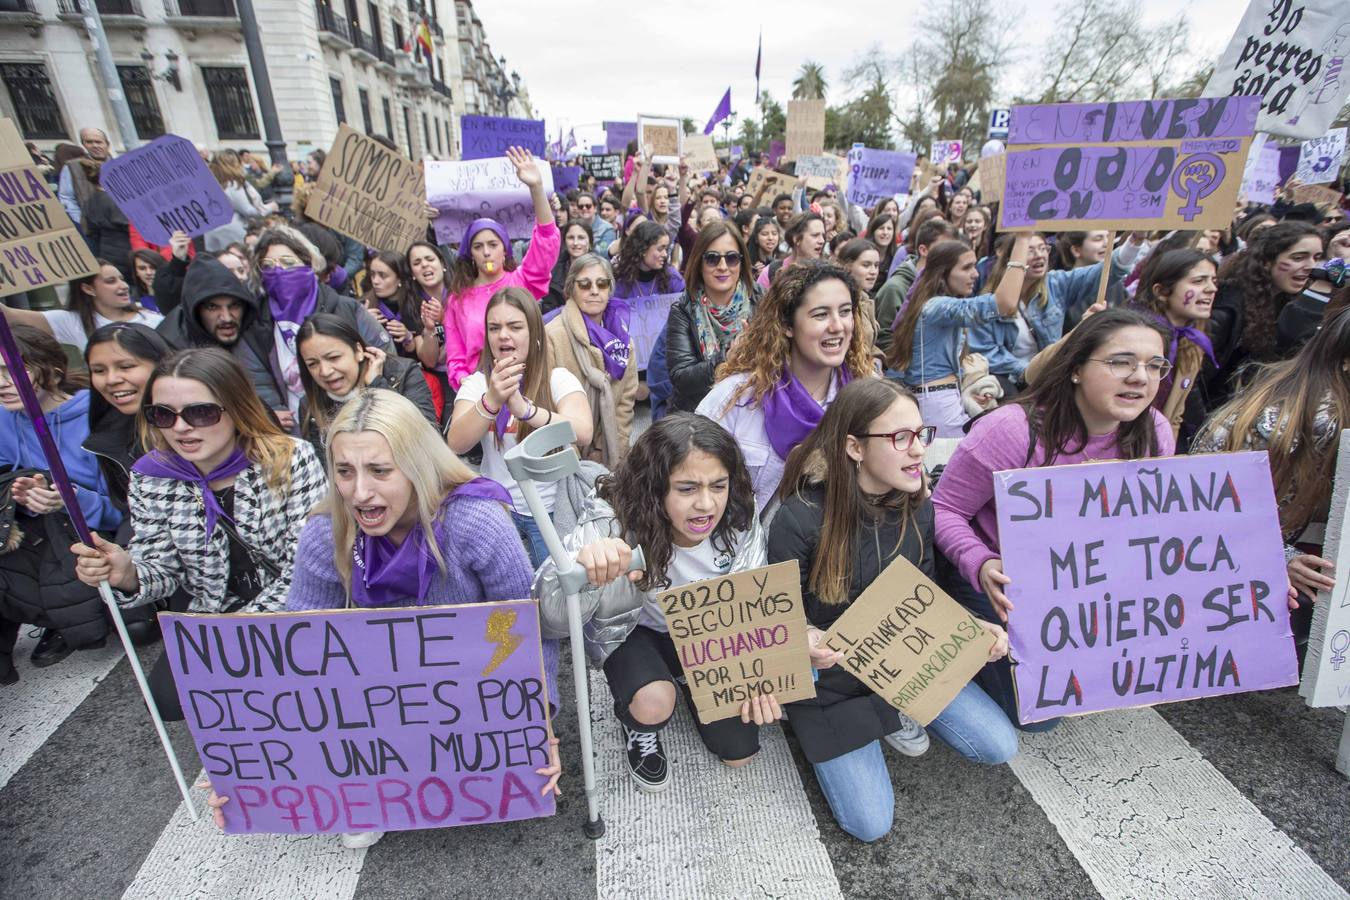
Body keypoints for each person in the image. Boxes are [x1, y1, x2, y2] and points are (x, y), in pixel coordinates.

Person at [280, 388, 562, 848]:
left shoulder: (477, 521)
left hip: (474, 692)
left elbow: (523, 628)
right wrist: (255, 751)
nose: (360, 491)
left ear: (416, 463)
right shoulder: (326, 531)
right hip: (380, 701)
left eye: (380, 470)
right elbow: (303, 644)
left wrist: (536, 723)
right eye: (345, 472)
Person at [769, 379, 1017, 841]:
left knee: (998, 745)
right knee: (870, 824)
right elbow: (776, 618)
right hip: (832, 683)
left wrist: (972, 627)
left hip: (904, 662)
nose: (919, 450)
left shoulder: (917, 503)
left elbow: (922, 593)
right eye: (899, 437)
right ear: (854, 447)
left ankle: (893, 712)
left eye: (921, 434)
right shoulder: (799, 518)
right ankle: (831, 729)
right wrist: (802, 638)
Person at [932, 309, 1176, 728]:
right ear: (1077, 368)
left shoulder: (1155, 430)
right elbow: (943, 509)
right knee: (1040, 715)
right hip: (1000, 584)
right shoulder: (1010, 430)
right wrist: (981, 562)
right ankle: (943, 662)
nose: (1140, 377)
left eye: (1154, 365)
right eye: (1121, 361)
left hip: (1079, 584)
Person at [70, 348, 326, 719]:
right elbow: (162, 568)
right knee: (168, 701)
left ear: (236, 407)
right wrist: (127, 573)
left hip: (297, 608)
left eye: (200, 412)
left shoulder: (290, 458)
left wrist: (239, 637)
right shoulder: (150, 476)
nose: (181, 428)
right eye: (162, 414)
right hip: (215, 613)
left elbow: (306, 570)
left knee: (298, 692)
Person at [534, 413, 774, 792]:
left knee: (739, 752)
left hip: (708, 632)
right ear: (654, 487)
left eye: (718, 485)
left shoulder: (740, 514)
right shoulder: (611, 518)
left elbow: (753, 598)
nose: (706, 504)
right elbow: (547, 621)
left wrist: (757, 671)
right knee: (653, 702)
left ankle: (688, 677)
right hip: (635, 631)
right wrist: (585, 570)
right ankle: (638, 723)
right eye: (687, 488)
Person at [1191, 307, 1350, 664]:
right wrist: (1280, 558)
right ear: (1345, 360)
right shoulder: (1319, 415)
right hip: (1212, 561)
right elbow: (1215, 511)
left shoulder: (1311, 387)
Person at [698, 261, 873, 511]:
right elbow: (691, 478)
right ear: (788, 325)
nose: (837, 326)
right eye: (821, 314)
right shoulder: (734, 398)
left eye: (845, 312)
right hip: (748, 547)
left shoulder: (868, 401)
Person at [0, 326, 122, 680]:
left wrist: (70, 499)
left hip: (98, 537)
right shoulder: (3, 419)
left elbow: (124, 509)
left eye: (12, 371)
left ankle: (68, 619)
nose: (2, 383)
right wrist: (17, 494)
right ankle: (53, 617)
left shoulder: (93, 417)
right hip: (38, 539)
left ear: (50, 369)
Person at [446, 287, 591, 566]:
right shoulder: (477, 384)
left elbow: (583, 432)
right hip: (496, 513)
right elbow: (456, 443)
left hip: (548, 514)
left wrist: (527, 411)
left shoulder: (557, 379)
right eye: (494, 327)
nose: (503, 335)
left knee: (551, 600)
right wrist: (492, 400)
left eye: (514, 326)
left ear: (534, 333)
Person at [251, 224, 392, 431]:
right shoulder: (257, 323)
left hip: (359, 420)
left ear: (308, 264)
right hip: (294, 431)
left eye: (288, 262)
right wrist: (272, 412)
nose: (278, 271)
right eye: (268, 265)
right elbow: (257, 378)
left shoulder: (346, 309)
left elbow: (384, 357)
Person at [887, 235, 1031, 435]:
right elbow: (1004, 303)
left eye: (974, 266)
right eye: (966, 268)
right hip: (937, 406)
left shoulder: (934, 304)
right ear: (942, 273)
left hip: (942, 401)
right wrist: (1023, 239)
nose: (975, 274)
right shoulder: (936, 307)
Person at [442, 147, 559, 392]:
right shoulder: (457, 300)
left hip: (526, 384)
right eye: (478, 246)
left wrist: (536, 188)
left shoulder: (520, 281)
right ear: (470, 254)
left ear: (505, 250)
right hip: (481, 391)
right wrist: (468, 383)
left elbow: (546, 239)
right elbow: (455, 357)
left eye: (493, 244)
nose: (486, 252)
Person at [965, 232, 1143, 389]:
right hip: (1012, 382)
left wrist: (1135, 240)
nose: (1039, 256)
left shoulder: (1056, 283)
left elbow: (1105, 272)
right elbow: (988, 352)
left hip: (1053, 377)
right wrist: (1029, 372)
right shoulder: (988, 302)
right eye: (1030, 250)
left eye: (1043, 248)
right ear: (1012, 259)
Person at [1206, 222, 1323, 408]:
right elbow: (1199, 376)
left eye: (1317, 258)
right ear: (1267, 262)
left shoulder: (1287, 304)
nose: (1311, 266)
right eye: (1299, 257)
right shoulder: (1229, 304)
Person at [296, 313, 437, 451]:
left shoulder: (401, 372)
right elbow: (326, 467)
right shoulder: (309, 406)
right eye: (312, 364)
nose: (325, 371)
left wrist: (377, 386)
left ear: (358, 350)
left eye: (333, 358)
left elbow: (428, 439)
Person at [545, 254, 636, 467]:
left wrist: (602, 449)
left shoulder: (623, 340)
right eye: (585, 285)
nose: (594, 291)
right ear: (571, 289)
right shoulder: (552, 335)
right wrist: (573, 458)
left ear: (610, 289)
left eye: (602, 284)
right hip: (564, 453)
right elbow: (547, 402)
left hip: (608, 455)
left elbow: (625, 402)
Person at [666, 222, 759, 414]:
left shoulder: (762, 301)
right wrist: (726, 359)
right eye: (712, 259)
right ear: (699, 263)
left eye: (732, 258)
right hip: (699, 414)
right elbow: (681, 378)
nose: (723, 267)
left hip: (754, 409)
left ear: (741, 262)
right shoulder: (683, 309)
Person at [0, 261, 162, 354]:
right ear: (88, 289)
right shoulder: (72, 321)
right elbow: (8, 316)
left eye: (122, 279)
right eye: (111, 281)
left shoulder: (152, 316)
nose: (124, 285)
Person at [873, 218, 961, 351]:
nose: (951, 255)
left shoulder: (945, 286)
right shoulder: (895, 288)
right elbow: (884, 342)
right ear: (923, 250)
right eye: (944, 248)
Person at [77, 160, 132, 282]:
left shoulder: (89, 202)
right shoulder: (114, 200)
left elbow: (90, 231)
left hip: (105, 251)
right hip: (125, 249)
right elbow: (128, 226)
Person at [205, 150, 271, 251]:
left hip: (212, 232)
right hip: (232, 231)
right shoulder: (232, 184)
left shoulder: (211, 184)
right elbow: (248, 210)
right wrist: (271, 207)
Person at [613, 220, 684, 306]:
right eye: (660, 249)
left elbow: (686, 309)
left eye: (666, 249)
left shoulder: (672, 277)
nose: (665, 254)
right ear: (643, 249)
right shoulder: (621, 279)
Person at [834, 238, 884, 360]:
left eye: (876, 266)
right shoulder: (839, 301)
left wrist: (878, 359)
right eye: (866, 265)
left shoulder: (864, 298)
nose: (873, 272)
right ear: (847, 267)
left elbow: (870, 346)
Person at [57, 127, 110, 227]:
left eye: (98, 142)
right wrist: (83, 221)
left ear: (107, 143)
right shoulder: (72, 167)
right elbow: (66, 198)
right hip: (94, 229)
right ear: (83, 144)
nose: (94, 145)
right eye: (89, 142)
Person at [759, 213, 826, 288]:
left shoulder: (828, 273)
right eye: (815, 235)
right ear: (796, 238)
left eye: (823, 236)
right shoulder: (771, 272)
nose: (822, 241)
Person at [543, 221, 594, 314]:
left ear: (590, 241)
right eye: (571, 238)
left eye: (581, 238)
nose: (575, 243)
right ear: (565, 242)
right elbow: (548, 308)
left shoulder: (601, 269)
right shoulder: (554, 271)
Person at [130, 249, 166, 313]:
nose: (149, 273)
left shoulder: (177, 294)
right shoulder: (134, 300)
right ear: (136, 272)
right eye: (142, 268)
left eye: (153, 267)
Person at [747, 216, 781, 281]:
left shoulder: (784, 260)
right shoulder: (748, 264)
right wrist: (754, 277)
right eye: (765, 234)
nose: (770, 238)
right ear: (756, 238)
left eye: (774, 234)